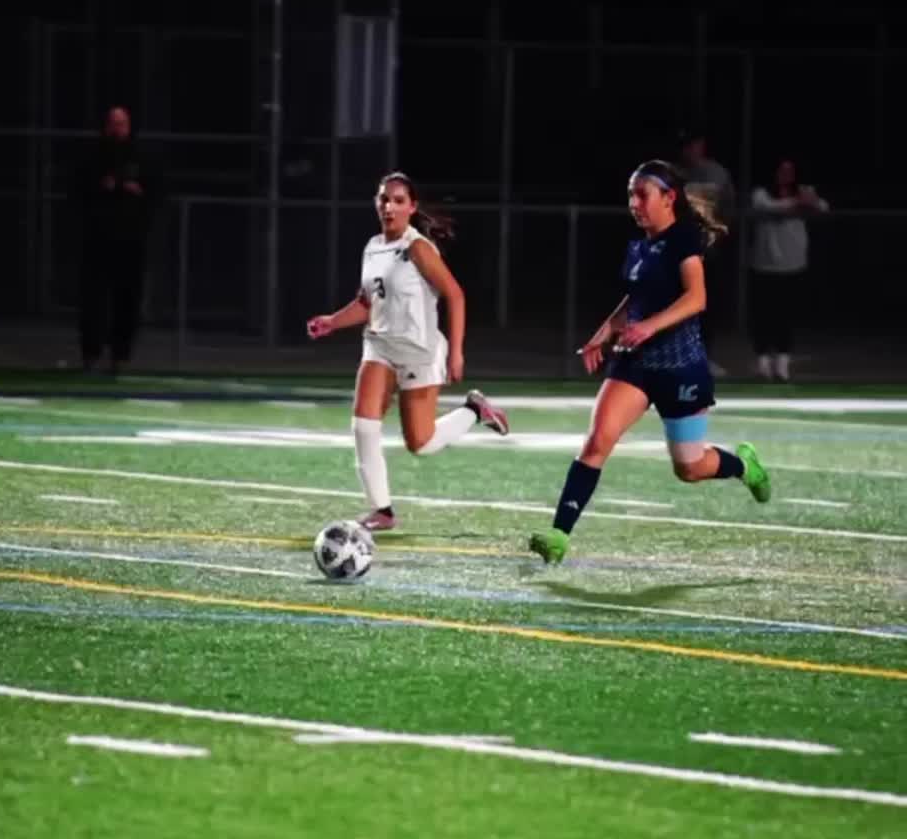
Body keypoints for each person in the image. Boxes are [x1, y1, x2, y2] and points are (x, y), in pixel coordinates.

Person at [529, 158, 770, 566]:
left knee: (690, 468)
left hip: (680, 367)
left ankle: (744, 465)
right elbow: (636, 300)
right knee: (597, 440)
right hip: (636, 364)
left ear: (669, 198)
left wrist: (650, 326)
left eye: (642, 194)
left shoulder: (683, 239)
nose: (634, 203)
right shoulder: (639, 245)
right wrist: (606, 331)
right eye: (630, 195)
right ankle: (558, 534)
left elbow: (696, 298)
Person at [306, 172, 510, 530]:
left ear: (412, 208)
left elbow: (456, 295)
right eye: (384, 199)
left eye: (399, 200)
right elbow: (367, 302)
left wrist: (456, 353)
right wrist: (332, 321)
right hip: (379, 345)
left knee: (421, 443)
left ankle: (473, 411)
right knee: (363, 425)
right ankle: (382, 511)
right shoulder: (372, 247)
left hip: (419, 352)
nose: (389, 207)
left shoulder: (417, 249)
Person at [76, 105, 162, 374]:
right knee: (94, 300)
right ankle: (91, 354)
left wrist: (137, 191)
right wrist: (102, 187)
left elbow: (157, 194)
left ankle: (120, 357)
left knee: (128, 300)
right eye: (113, 123)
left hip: (131, 240)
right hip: (98, 240)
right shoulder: (92, 156)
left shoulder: (142, 156)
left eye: (122, 123)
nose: (117, 129)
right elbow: (76, 191)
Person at [749, 160, 830, 381]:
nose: (786, 174)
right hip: (764, 264)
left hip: (793, 264)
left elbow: (823, 207)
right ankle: (763, 363)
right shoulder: (760, 193)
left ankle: (783, 364)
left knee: (786, 315)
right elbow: (767, 206)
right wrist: (797, 203)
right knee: (763, 315)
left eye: (790, 171)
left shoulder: (805, 192)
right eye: (782, 170)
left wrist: (807, 200)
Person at [678, 129, 736, 376]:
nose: (692, 150)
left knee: (705, 307)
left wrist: (719, 235)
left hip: (708, 252)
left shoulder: (717, 173)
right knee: (676, 307)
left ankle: (703, 357)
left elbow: (729, 206)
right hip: (677, 253)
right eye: (687, 146)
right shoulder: (672, 173)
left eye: (695, 145)